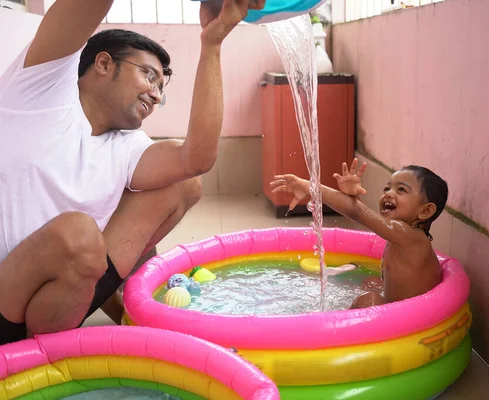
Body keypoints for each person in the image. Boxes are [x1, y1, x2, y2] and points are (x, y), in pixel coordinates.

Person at [0, 0, 266, 345]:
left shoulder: (127, 145)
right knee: (78, 233)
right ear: (103, 63)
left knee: (181, 183)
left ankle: (114, 312)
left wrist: (212, 43)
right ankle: (34, 359)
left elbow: (196, 158)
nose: (155, 95)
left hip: (60, 303)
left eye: (161, 90)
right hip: (6, 297)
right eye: (149, 76)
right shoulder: (40, 90)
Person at [270, 158, 448, 309]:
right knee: (372, 283)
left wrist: (312, 188)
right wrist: (353, 199)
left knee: (371, 299)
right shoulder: (400, 234)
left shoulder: (413, 238)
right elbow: (363, 215)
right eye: (387, 188)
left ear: (425, 211)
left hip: (412, 320)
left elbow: (360, 214)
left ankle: (341, 329)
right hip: (396, 310)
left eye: (401, 190)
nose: (389, 194)